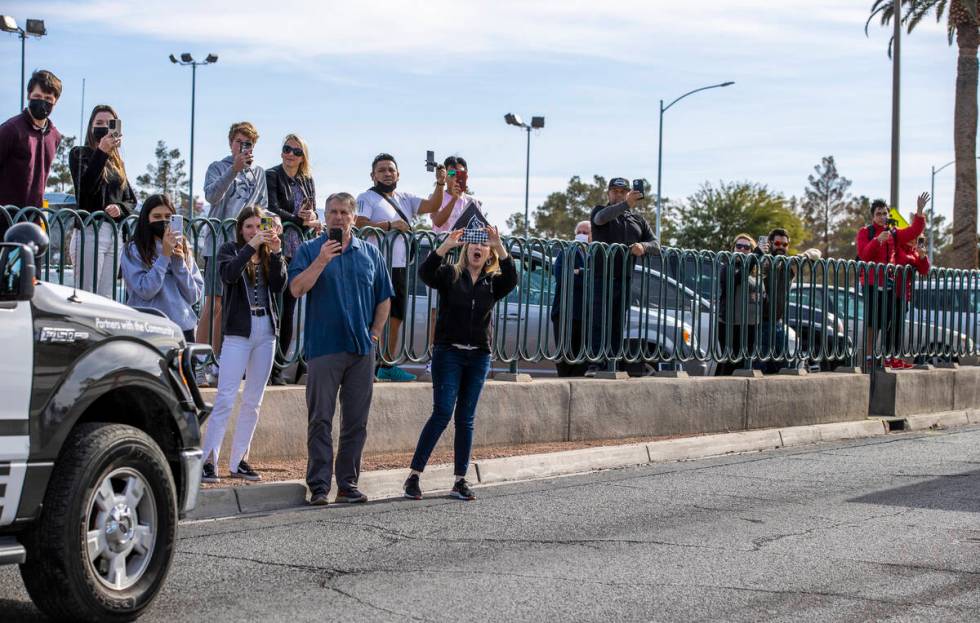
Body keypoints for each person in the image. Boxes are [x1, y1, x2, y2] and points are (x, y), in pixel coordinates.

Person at [289, 193, 393, 506]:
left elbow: (385, 297)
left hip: (361, 349)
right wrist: (322, 260)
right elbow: (296, 289)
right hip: (324, 348)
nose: (337, 217)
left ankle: (348, 484)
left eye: (344, 212)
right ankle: (319, 487)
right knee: (320, 419)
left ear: (353, 216)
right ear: (326, 214)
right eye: (332, 212)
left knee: (356, 422)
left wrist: (375, 333)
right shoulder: (310, 250)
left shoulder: (370, 253)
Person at [404, 226, 518, 501]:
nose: (478, 249)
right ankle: (414, 476)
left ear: (488, 253)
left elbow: (512, 278)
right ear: (466, 250)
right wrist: (445, 246)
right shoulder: (449, 275)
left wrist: (499, 244)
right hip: (449, 353)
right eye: (473, 246)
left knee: (465, 419)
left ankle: (459, 481)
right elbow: (425, 273)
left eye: (483, 247)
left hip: (478, 355)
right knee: (442, 412)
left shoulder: (494, 282)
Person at [200, 205, 286, 483]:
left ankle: (239, 460)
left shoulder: (269, 252)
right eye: (248, 226)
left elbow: (279, 285)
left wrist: (277, 253)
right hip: (238, 331)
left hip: (266, 330)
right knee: (225, 396)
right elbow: (229, 276)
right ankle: (208, 461)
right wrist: (250, 247)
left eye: (258, 225)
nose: (254, 230)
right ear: (241, 229)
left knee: (253, 400)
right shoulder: (229, 249)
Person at [354, 153, 446, 382]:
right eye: (382, 170)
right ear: (373, 175)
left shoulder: (406, 198)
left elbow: (433, 204)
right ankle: (365, 364)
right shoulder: (366, 197)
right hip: (373, 264)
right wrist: (389, 225)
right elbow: (359, 223)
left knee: (396, 315)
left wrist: (441, 182)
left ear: (398, 174)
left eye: (391, 169)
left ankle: (386, 363)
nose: (387, 173)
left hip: (399, 266)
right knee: (370, 316)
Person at [198, 122, 269, 359]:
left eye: (248, 143)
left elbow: (263, 208)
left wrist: (272, 225)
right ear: (231, 143)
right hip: (219, 244)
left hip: (246, 248)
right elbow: (211, 195)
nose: (243, 147)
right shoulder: (218, 167)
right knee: (214, 302)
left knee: (232, 306)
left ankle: (218, 359)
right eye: (239, 142)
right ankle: (199, 360)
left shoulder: (259, 172)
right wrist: (234, 170)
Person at [586, 177, 660, 376]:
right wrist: (626, 203)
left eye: (622, 191)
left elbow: (656, 244)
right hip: (602, 277)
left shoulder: (637, 220)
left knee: (619, 322)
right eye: (615, 191)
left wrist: (643, 246)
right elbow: (600, 219)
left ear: (628, 192)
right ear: (608, 193)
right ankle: (595, 363)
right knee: (600, 320)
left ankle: (613, 362)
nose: (618, 194)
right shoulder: (600, 210)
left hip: (624, 277)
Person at [266, 133, 319, 385]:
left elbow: (312, 210)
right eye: (287, 148)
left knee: (288, 311)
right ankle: (264, 367)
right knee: (272, 310)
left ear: (303, 157)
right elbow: (272, 207)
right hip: (277, 250)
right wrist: (298, 220)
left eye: (296, 151)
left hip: (299, 252)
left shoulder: (307, 180)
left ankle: (277, 369)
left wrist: (311, 219)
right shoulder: (272, 175)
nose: (290, 154)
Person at [68, 104, 137, 298]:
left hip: (114, 233)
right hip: (90, 229)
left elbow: (131, 199)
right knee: (86, 294)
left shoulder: (117, 164)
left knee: (106, 297)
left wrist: (120, 208)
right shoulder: (79, 154)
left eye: (109, 123)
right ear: (91, 127)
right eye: (99, 123)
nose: (104, 127)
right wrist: (102, 151)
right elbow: (87, 189)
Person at [856, 194, 928, 370]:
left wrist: (919, 212)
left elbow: (913, 232)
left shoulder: (894, 234)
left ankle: (888, 357)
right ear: (873, 216)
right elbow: (864, 255)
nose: (882, 216)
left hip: (889, 286)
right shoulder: (866, 232)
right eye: (878, 214)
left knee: (889, 321)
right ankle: (869, 357)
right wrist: (876, 241)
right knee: (873, 323)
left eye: (884, 213)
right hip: (872, 283)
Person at [120, 194, 203, 342]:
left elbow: (193, 296)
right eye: (157, 216)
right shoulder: (134, 249)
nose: (163, 221)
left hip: (183, 328)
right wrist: (164, 256)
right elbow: (145, 291)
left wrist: (179, 263)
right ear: (146, 219)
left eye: (168, 216)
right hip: (148, 328)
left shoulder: (183, 246)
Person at [0, 70, 63, 240]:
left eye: (49, 99)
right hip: (5, 219)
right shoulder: (10, 129)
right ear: (29, 95)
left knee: (31, 267)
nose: (43, 102)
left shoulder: (55, 136)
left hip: (33, 221)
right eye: (38, 96)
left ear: (55, 101)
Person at [716, 234, 765, 376]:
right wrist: (756, 255)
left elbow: (763, 295)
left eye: (747, 247)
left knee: (745, 365)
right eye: (739, 246)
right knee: (730, 365)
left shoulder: (756, 272)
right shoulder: (728, 267)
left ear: (751, 249)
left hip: (750, 324)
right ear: (733, 249)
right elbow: (738, 278)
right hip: (730, 324)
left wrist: (761, 296)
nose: (742, 249)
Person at [551, 221, 592, 377]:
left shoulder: (597, 253)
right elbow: (563, 277)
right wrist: (585, 275)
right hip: (565, 313)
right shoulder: (566, 251)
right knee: (564, 356)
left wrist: (579, 272)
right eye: (579, 232)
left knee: (583, 358)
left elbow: (597, 279)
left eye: (586, 232)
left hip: (586, 315)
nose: (582, 235)